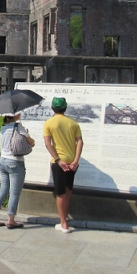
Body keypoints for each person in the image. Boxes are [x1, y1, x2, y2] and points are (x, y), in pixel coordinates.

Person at [43, 97, 83, 233]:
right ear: (65, 108)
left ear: (53, 108)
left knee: (60, 193)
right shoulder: (73, 123)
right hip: (72, 162)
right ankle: (65, 218)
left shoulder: (49, 123)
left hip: (59, 162)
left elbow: (48, 144)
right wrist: (76, 160)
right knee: (68, 190)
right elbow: (80, 142)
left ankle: (63, 224)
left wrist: (58, 160)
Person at [0, 113, 34, 229]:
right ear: (15, 114)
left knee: (3, 189)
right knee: (14, 192)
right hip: (15, 162)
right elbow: (30, 141)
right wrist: (32, 142)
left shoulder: (3, 127)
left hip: (3, 162)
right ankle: (11, 219)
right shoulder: (18, 127)